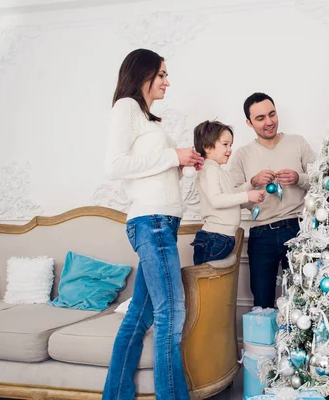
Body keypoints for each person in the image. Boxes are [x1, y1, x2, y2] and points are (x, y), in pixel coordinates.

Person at [103, 48, 203, 400]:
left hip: (163, 222)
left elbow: (153, 170)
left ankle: (115, 395)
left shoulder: (150, 120)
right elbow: (115, 165)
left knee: (139, 316)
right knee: (171, 314)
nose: (167, 81)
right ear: (142, 74)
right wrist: (171, 156)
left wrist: (181, 164)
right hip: (151, 222)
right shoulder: (125, 108)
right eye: (161, 74)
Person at [229, 92, 315, 308]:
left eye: (272, 114)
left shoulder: (298, 142)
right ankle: (262, 343)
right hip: (261, 235)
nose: (269, 122)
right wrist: (253, 182)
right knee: (262, 300)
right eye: (260, 118)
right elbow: (234, 198)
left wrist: (298, 178)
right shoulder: (241, 155)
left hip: (298, 230)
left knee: (303, 298)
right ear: (249, 123)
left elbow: (322, 183)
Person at [191, 120, 265, 265]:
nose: (230, 149)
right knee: (208, 283)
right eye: (225, 144)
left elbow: (232, 197)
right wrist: (247, 196)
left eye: (231, 145)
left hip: (222, 237)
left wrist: (251, 184)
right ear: (207, 147)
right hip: (213, 238)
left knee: (213, 282)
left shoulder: (219, 171)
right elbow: (217, 200)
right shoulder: (208, 170)